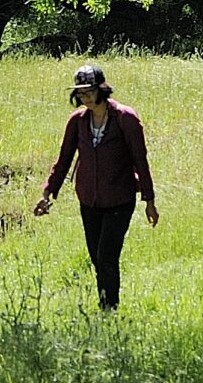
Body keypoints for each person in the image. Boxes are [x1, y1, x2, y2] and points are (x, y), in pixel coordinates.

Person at [33, 62, 157, 310]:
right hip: (89, 200)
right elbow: (64, 159)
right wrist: (48, 193)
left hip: (119, 200)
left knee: (107, 256)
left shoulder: (125, 119)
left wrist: (149, 201)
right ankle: (105, 302)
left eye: (89, 91)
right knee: (96, 258)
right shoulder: (77, 121)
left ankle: (109, 309)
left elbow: (140, 160)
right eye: (80, 93)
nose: (85, 97)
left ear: (102, 89)